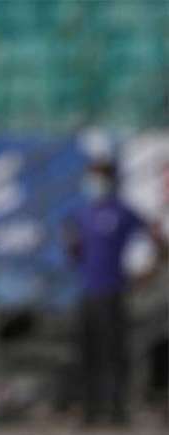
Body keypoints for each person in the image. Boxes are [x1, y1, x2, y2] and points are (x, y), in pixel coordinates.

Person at [65, 160, 163, 426]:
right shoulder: (82, 211)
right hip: (87, 292)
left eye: (98, 177)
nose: (93, 184)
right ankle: (90, 411)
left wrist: (149, 271)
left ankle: (118, 410)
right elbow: (74, 248)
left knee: (115, 353)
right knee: (88, 353)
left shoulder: (121, 211)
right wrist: (72, 248)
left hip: (113, 292)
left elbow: (154, 235)